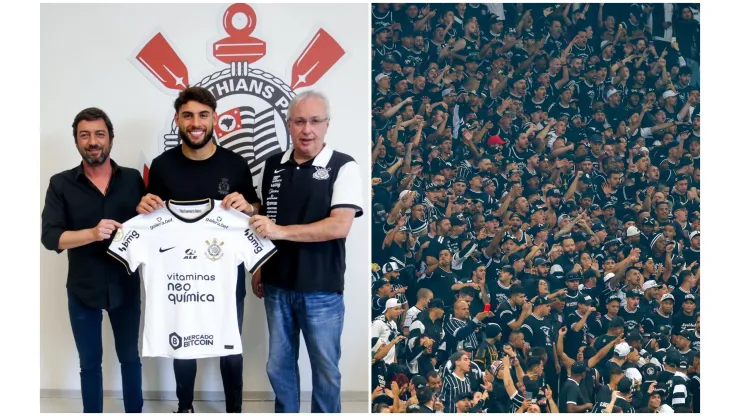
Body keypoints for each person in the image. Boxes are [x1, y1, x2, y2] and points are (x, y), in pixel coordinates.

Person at [135, 86, 260, 413]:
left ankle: (235, 409)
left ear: (215, 119)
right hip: (180, 274)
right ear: (178, 119)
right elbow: (153, 217)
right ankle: (185, 407)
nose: (195, 122)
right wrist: (144, 205)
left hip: (225, 274)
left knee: (231, 345)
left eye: (203, 115)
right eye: (188, 115)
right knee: (183, 343)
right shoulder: (163, 166)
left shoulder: (235, 164)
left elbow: (255, 211)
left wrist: (249, 206)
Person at [248, 90, 364, 413]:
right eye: (299, 121)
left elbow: (339, 225)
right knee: (278, 366)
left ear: (327, 125)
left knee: (325, 369)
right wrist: (259, 267)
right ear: (289, 124)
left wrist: (280, 232)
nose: (307, 129)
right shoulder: (273, 165)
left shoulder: (344, 166)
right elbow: (264, 219)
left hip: (322, 290)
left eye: (315, 121)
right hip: (276, 286)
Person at [41, 108, 145, 413]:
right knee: (89, 364)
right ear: (76, 141)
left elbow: (150, 225)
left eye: (99, 134)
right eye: (84, 135)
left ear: (110, 138)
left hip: (125, 285)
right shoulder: (60, 184)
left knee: (130, 358)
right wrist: (91, 232)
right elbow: (50, 237)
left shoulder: (133, 179)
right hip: (82, 289)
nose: (93, 141)